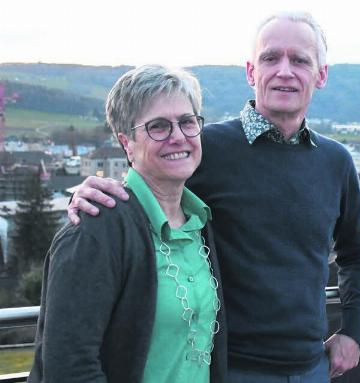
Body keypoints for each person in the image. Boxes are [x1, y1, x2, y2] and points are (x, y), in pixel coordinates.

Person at [67, 12, 360, 382]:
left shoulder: (335, 162)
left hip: (311, 367)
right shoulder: (203, 147)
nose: (284, 70)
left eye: (299, 60)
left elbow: (359, 253)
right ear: (251, 72)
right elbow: (147, 187)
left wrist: (354, 331)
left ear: (321, 75)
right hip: (226, 367)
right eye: (270, 58)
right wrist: (93, 195)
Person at [31, 65, 227, 382]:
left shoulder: (200, 223)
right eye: (158, 127)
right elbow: (69, 369)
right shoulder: (95, 229)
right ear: (126, 143)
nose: (178, 136)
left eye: (187, 122)